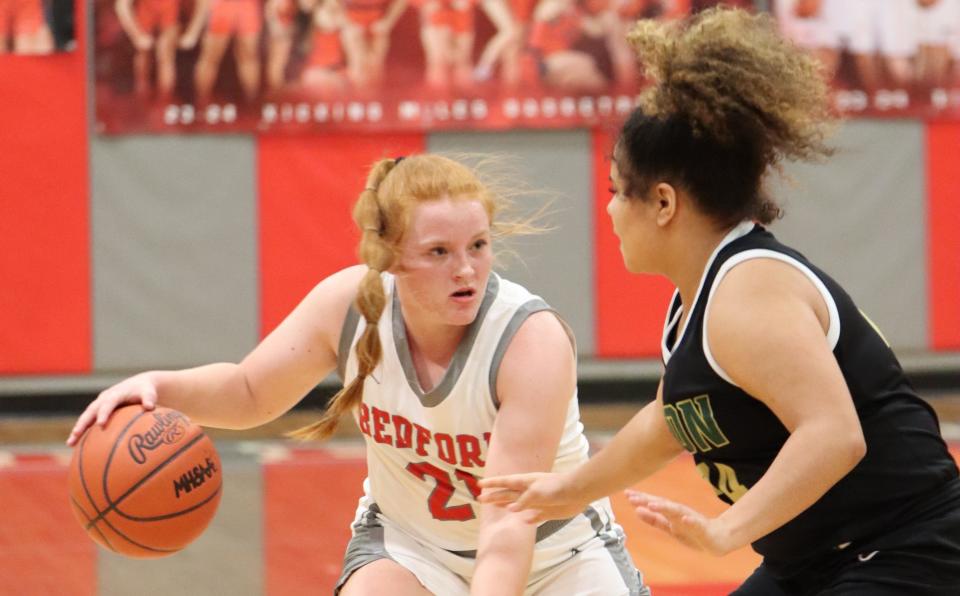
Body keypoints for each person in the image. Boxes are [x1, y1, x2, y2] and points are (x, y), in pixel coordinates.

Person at [480, 8, 960, 595]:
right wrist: (570, 488)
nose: (607, 210)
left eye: (614, 191)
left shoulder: (746, 292)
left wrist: (725, 531)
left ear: (662, 203)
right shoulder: (702, 298)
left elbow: (835, 434)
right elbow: (673, 418)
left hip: (908, 549)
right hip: (815, 560)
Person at [66, 154, 649, 596]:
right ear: (391, 258)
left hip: (555, 555)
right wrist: (159, 388)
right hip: (414, 547)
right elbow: (249, 392)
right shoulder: (349, 305)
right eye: (439, 252)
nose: (466, 268)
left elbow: (507, 525)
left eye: (478, 245)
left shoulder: (529, 341)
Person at [114, 0, 206, 100]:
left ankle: (164, 99)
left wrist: (193, 32)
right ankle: (142, 94)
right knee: (143, 53)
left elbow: (204, 3)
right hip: (146, 12)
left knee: (165, 54)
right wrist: (136, 35)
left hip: (170, 12)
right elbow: (121, 6)